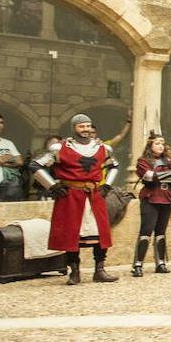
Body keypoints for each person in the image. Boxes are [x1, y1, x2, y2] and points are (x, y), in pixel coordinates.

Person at [29, 114, 120, 285]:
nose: (85, 129)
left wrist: (107, 185)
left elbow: (114, 166)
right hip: (70, 196)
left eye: (87, 126)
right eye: (81, 126)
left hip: (94, 195)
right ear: (74, 128)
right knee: (71, 235)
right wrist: (52, 186)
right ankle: (74, 272)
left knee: (101, 233)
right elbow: (35, 165)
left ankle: (99, 270)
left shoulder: (102, 148)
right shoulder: (60, 148)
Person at [132, 133, 171, 277]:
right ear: (150, 145)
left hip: (166, 198)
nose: (160, 146)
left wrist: (158, 175)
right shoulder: (143, 161)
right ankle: (138, 264)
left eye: (162, 143)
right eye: (157, 143)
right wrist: (167, 174)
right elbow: (147, 177)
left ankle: (160, 263)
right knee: (146, 231)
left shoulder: (169, 160)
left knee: (161, 232)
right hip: (150, 197)